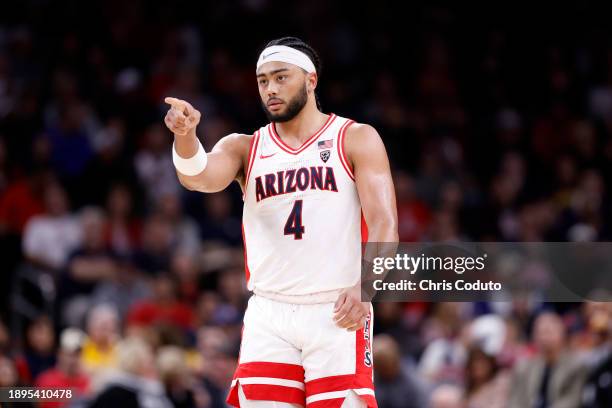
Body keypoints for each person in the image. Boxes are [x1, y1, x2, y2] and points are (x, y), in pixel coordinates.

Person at [163, 36, 398, 407]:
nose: (270, 89)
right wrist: (186, 137)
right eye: (262, 81)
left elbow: (385, 225)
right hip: (269, 313)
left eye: (280, 77)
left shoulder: (355, 138)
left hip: (337, 309)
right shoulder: (245, 147)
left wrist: (366, 286)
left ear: (311, 79)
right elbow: (198, 177)